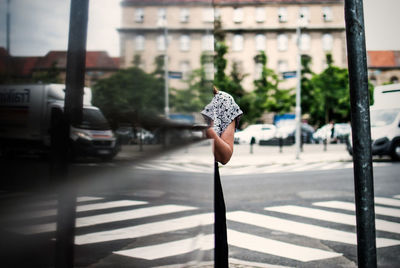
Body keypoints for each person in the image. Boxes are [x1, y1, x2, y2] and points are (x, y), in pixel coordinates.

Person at [201, 86, 243, 267]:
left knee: (214, 248)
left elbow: (225, 156)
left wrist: (208, 131)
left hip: (208, 182)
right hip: (173, 181)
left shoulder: (223, 101)